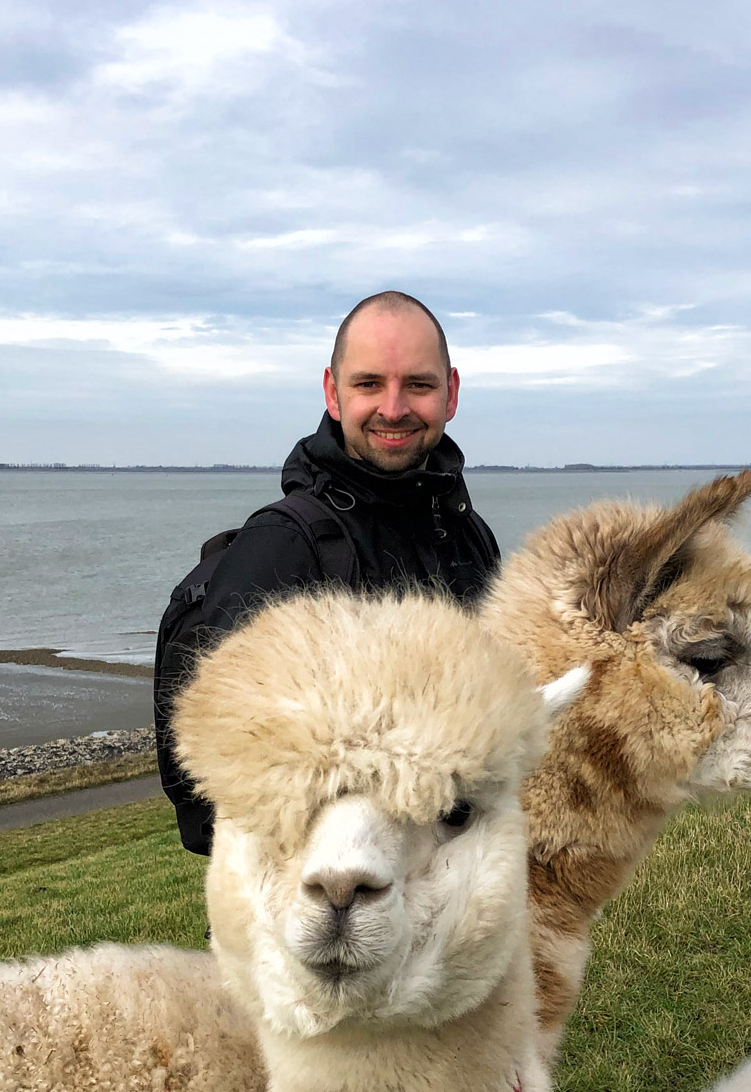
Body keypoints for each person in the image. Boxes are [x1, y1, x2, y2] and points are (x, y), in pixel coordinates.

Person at [158, 290, 501, 854]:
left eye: (418, 384)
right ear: (332, 393)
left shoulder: (467, 532)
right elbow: (224, 774)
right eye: (369, 384)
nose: (394, 408)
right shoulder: (285, 545)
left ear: (452, 392)